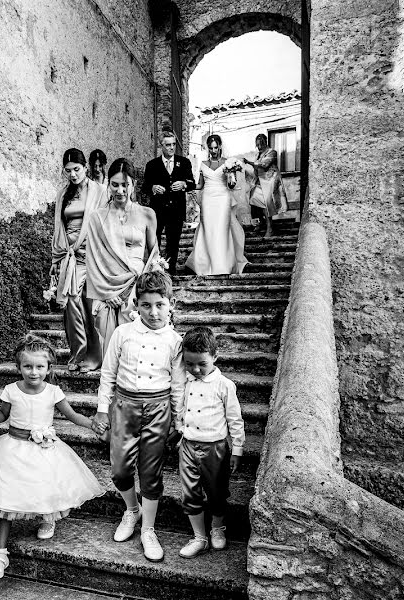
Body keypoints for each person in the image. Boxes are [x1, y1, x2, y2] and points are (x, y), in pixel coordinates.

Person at [0, 334, 105, 580]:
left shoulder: (53, 392)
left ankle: (47, 520)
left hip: (45, 449)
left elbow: (72, 415)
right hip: (13, 449)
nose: (34, 372)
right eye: (27, 366)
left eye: (40, 366)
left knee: (45, 486)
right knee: (5, 499)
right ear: (18, 367)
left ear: (49, 368)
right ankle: (0, 553)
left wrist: (92, 424)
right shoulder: (11, 390)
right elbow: (2, 414)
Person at [90, 270, 186, 562]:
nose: (153, 311)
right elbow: (107, 374)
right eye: (146, 305)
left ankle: (149, 528)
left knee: (150, 473)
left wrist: (178, 420)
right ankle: (132, 510)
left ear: (171, 303)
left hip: (158, 409)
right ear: (136, 305)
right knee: (119, 469)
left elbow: (179, 385)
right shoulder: (123, 333)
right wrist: (102, 410)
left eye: (159, 304)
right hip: (124, 406)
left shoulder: (175, 341)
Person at [172, 326, 245, 558]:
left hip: (215, 448)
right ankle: (199, 537)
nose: (195, 369)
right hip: (188, 446)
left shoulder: (224, 385)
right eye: (190, 364)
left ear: (215, 357)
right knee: (189, 493)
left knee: (216, 491)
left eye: (201, 364)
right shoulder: (187, 382)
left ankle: (217, 528)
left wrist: (238, 449)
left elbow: (235, 419)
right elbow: (182, 409)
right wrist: (181, 430)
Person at [85, 157, 161, 357]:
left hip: (137, 286)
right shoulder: (97, 218)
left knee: (137, 348)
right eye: (115, 185)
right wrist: (107, 294)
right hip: (107, 288)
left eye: (125, 185)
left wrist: (148, 287)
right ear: (108, 185)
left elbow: (154, 256)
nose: (120, 190)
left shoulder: (147, 214)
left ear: (134, 184)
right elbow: (92, 259)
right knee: (112, 350)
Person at [50, 148, 103, 372]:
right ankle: (77, 353)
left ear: (85, 168)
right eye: (68, 171)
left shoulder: (99, 191)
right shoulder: (64, 194)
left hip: (91, 252)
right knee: (71, 303)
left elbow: (104, 222)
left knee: (90, 304)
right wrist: (56, 257)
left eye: (76, 169)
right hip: (69, 253)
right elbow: (58, 226)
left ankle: (95, 356)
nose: (72, 175)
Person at [184, 135, 248, 276]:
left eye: (215, 147)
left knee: (221, 230)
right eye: (211, 147)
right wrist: (186, 185)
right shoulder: (203, 164)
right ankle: (205, 265)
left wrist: (231, 173)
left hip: (223, 198)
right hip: (207, 199)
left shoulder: (227, 163)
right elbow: (200, 184)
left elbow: (231, 185)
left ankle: (222, 265)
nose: (213, 150)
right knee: (208, 230)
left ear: (219, 146)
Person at [142, 131, 196, 276]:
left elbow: (192, 183)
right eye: (168, 145)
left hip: (176, 210)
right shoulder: (152, 165)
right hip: (157, 210)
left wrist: (184, 184)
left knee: (174, 242)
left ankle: (171, 270)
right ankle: (156, 270)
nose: (171, 148)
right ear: (161, 146)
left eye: (173, 144)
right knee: (155, 240)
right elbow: (144, 187)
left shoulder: (184, 162)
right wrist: (153, 188)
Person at [243, 133, 288, 238]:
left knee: (266, 203)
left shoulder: (272, 152)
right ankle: (260, 224)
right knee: (254, 199)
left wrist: (249, 163)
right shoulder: (258, 154)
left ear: (265, 143)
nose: (259, 147)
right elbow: (256, 169)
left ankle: (269, 228)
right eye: (257, 145)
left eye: (260, 144)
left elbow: (264, 164)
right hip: (261, 181)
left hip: (270, 181)